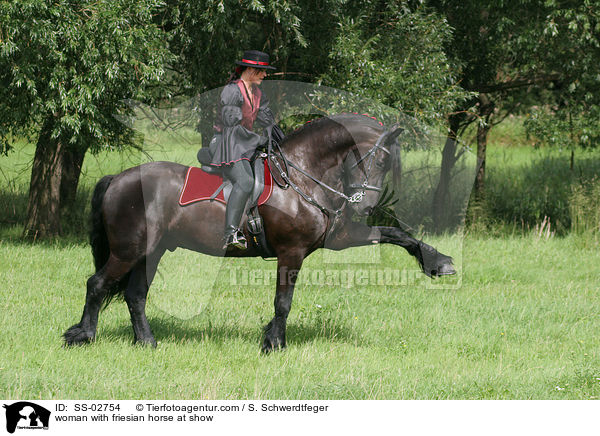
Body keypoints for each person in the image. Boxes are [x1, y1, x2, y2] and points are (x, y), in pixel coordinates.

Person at [206, 50, 276, 250]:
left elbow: (268, 122)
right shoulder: (232, 91)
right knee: (245, 182)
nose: (265, 75)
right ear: (251, 70)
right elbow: (231, 126)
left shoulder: (257, 93)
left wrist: (278, 139)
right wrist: (258, 139)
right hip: (225, 143)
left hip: (243, 143)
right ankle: (230, 234)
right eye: (262, 71)